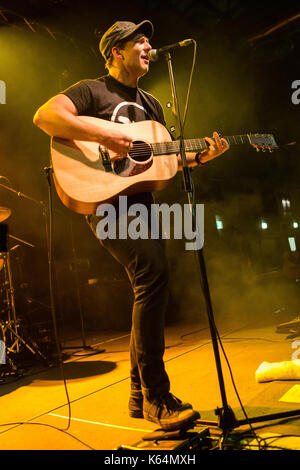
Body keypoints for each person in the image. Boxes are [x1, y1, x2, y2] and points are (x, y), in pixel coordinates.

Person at [33, 20, 229, 431]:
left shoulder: (153, 105)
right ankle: (157, 397)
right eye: (138, 40)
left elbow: (164, 158)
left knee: (152, 281)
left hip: (141, 203)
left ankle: (140, 396)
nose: (148, 44)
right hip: (105, 202)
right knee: (153, 275)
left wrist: (202, 156)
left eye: (148, 39)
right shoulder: (91, 90)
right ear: (115, 52)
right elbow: (45, 116)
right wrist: (105, 134)